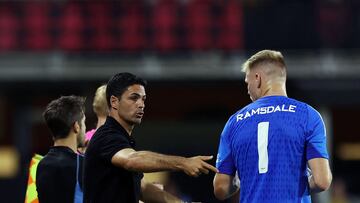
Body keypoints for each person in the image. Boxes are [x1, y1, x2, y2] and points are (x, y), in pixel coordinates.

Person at [213, 50, 332, 202]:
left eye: (247, 82)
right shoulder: (308, 115)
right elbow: (322, 181)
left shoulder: (234, 122)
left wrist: (240, 180)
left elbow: (221, 188)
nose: (248, 89)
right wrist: (296, 185)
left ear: (257, 79)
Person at [84, 72, 218, 203]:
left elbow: (142, 189)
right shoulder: (106, 136)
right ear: (114, 102)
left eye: (143, 99)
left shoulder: (123, 140)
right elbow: (132, 160)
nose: (141, 104)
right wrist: (183, 162)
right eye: (133, 98)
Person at [36, 95, 86, 203]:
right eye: (84, 123)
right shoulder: (83, 164)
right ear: (76, 126)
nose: (85, 128)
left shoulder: (41, 165)